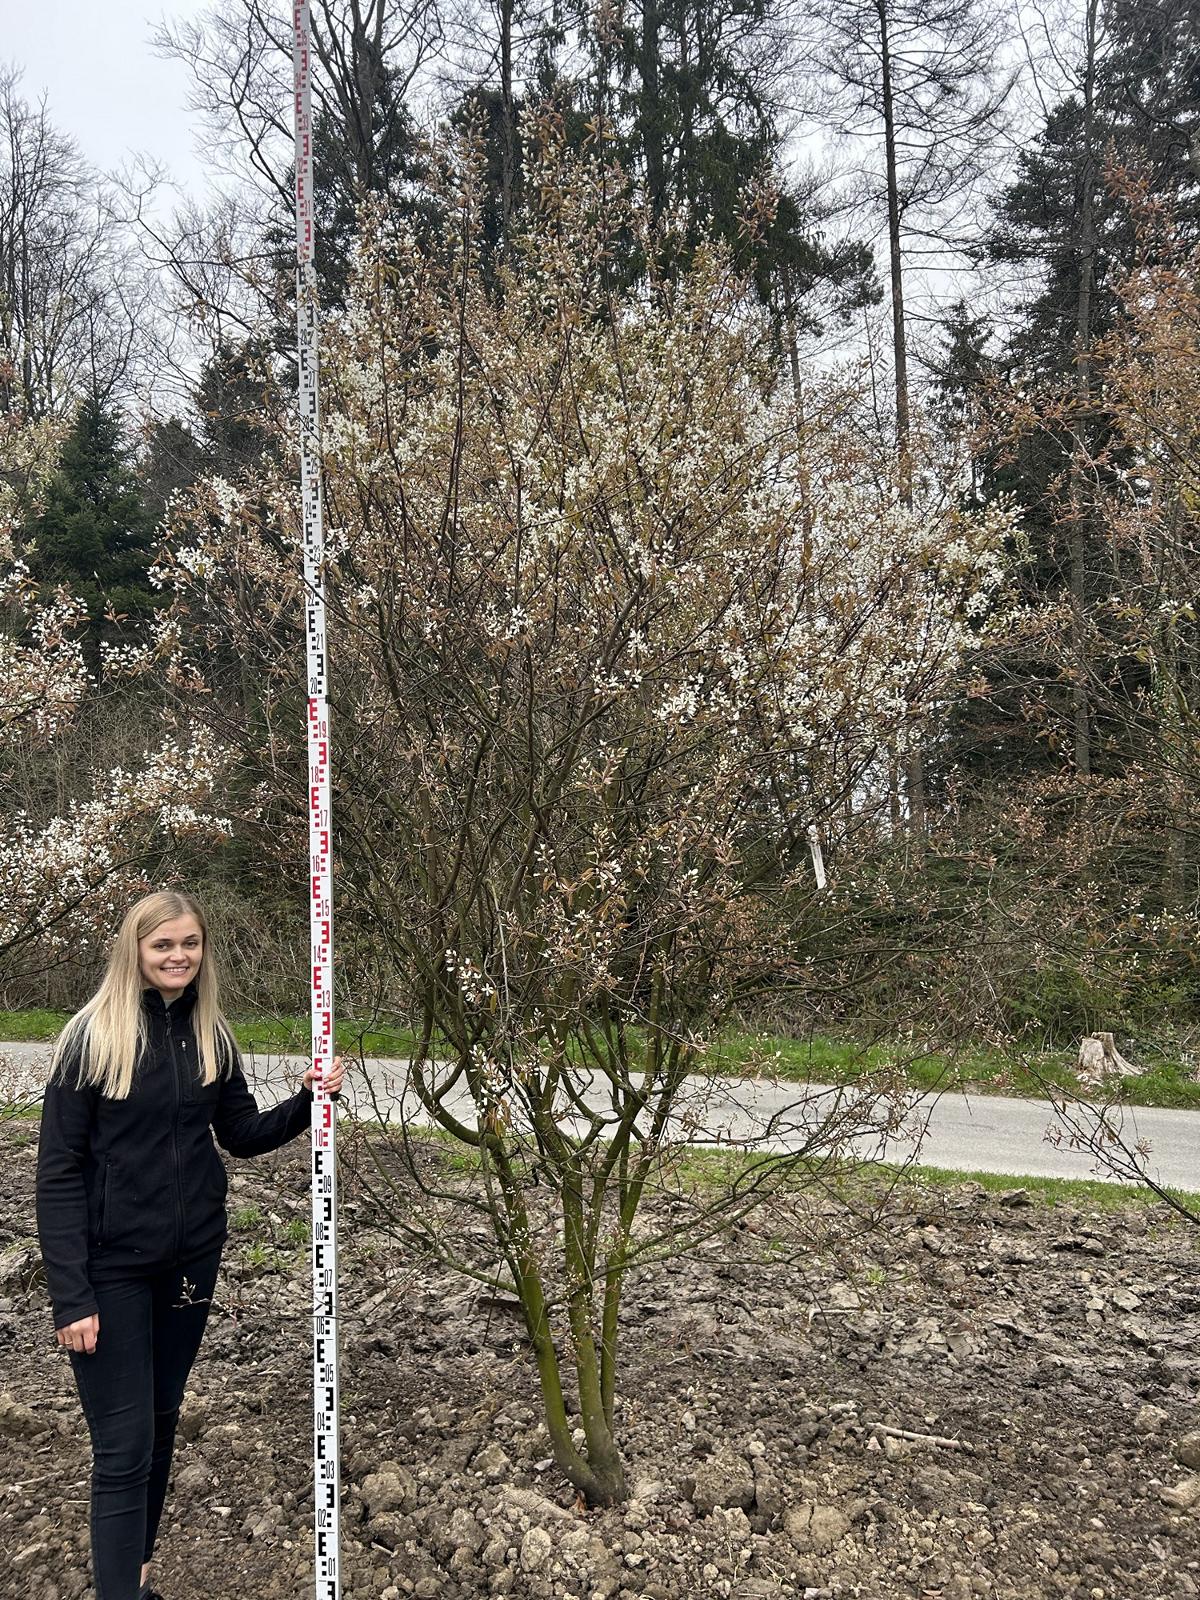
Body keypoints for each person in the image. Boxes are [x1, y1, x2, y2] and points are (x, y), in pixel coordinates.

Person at [35, 890, 346, 1600]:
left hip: (190, 1260)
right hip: (109, 1270)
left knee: (163, 1418)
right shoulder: (91, 1039)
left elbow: (240, 1136)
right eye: (163, 945)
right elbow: (56, 1174)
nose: (178, 957)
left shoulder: (212, 1034)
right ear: (135, 951)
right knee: (123, 1450)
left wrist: (308, 1100)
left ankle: (137, 1577)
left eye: (190, 944)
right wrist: (70, 1296)